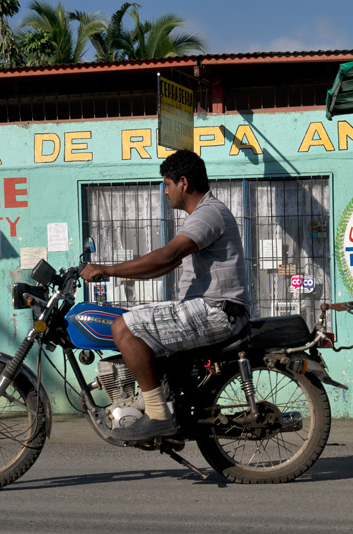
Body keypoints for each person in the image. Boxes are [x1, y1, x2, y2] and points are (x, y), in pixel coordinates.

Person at [80, 149, 250, 441]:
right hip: (211, 308)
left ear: (183, 182)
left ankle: (159, 415)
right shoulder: (204, 214)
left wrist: (107, 269)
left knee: (124, 326)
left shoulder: (209, 213)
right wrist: (113, 272)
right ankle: (157, 401)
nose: (164, 192)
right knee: (134, 320)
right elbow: (166, 265)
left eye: (167, 184)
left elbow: (167, 255)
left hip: (215, 311)